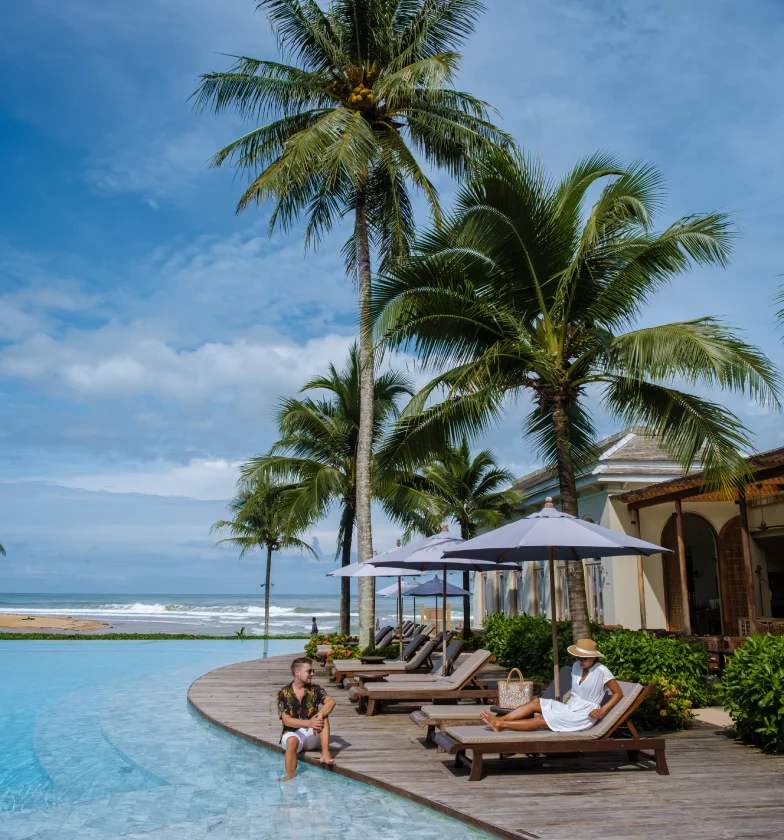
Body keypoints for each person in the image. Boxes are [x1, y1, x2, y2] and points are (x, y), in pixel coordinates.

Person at [480, 638, 622, 733]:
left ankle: (501, 724)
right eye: (578, 657)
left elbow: (618, 693)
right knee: (537, 702)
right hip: (570, 707)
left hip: (584, 715)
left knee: (542, 720)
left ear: (593, 657)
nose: (580, 661)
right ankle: (500, 719)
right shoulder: (576, 666)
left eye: (584, 658)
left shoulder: (601, 671)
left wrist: (603, 710)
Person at [276, 656, 336, 780]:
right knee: (292, 741)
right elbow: (287, 720)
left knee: (323, 716)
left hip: (311, 735)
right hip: (292, 733)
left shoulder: (315, 689)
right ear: (297, 672)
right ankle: (290, 775)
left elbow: (330, 702)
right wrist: (309, 723)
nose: (312, 674)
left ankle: (325, 753)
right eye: (309, 671)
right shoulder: (283, 693)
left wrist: (319, 715)